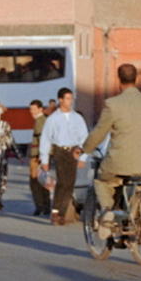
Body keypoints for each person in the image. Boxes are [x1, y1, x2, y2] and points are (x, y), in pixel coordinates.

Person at [82, 63, 141, 218]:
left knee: (101, 181)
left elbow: (99, 132)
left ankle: (107, 211)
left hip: (120, 162)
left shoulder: (112, 104)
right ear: (136, 78)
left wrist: (85, 149)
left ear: (119, 80)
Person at [39, 87, 89, 225]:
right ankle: (55, 211)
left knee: (70, 183)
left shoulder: (77, 118)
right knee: (62, 181)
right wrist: (44, 159)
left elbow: (84, 137)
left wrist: (83, 156)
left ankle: (62, 212)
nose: (70, 101)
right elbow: (46, 139)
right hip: (60, 151)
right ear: (60, 100)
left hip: (73, 151)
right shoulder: (53, 118)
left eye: (71, 98)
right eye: (67, 98)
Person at [27, 99, 51, 216]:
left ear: (40, 109)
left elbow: (42, 140)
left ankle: (40, 206)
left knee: (35, 182)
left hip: (37, 157)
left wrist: (41, 156)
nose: (31, 112)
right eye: (31, 109)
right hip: (41, 155)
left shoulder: (40, 121)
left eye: (34, 109)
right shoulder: (43, 120)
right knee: (43, 181)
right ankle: (45, 206)